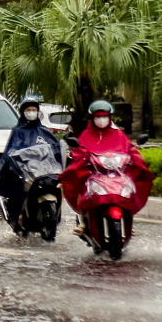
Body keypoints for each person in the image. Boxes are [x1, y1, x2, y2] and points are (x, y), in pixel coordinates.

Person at [61, 100, 150, 237]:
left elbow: (130, 149)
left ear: (110, 117)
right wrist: (79, 156)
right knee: (80, 183)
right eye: (98, 117)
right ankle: (82, 220)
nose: (101, 119)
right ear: (92, 118)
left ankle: (127, 219)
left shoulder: (118, 134)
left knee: (129, 187)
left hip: (117, 174)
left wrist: (135, 158)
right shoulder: (86, 135)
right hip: (94, 173)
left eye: (105, 116)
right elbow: (79, 151)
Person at [0, 95, 60, 230]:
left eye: (34, 109)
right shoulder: (18, 131)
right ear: (23, 112)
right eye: (28, 110)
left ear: (38, 112)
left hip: (43, 170)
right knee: (17, 190)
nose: (31, 112)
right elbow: (11, 151)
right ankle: (18, 215)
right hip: (25, 171)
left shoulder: (44, 131)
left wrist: (63, 152)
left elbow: (55, 147)